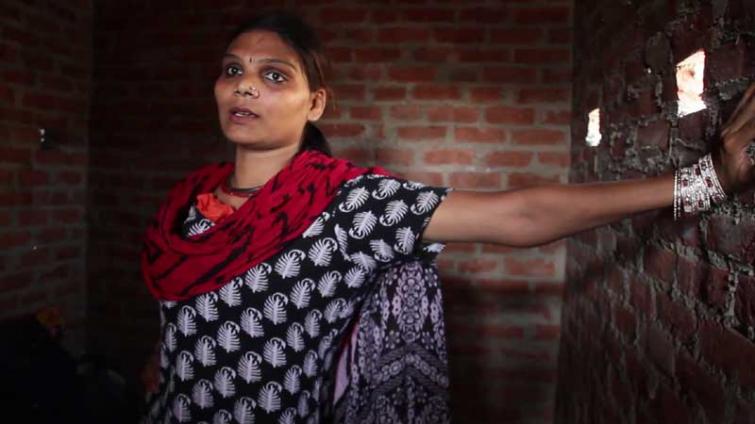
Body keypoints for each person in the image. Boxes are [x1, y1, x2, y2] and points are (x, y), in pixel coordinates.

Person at [139, 10, 755, 424]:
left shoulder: (347, 205)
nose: (244, 86)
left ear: (315, 103)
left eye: (273, 75)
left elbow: (520, 215)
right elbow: (188, 307)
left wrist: (704, 181)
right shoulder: (188, 203)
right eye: (233, 70)